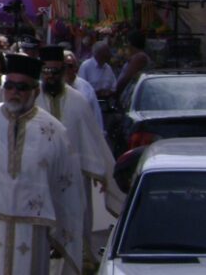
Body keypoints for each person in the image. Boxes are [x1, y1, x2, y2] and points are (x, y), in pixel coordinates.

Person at [0, 53, 85, 274]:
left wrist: (63, 232)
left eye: (21, 87)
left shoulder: (53, 131)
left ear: (35, 91)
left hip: (33, 229)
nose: (14, 92)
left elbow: (68, 184)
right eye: (10, 86)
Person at [36, 46, 123, 266]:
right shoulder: (32, 100)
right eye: (46, 71)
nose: (51, 76)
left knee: (75, 221)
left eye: (55, 71)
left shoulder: (78, 101)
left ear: (63, 71)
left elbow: (92, 137)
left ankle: (75, 264)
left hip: (73, 177)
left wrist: (100, 171)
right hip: (38, 176)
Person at [64, 50, 102, 132]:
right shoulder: (55, 88)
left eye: (69, 66)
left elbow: (96, 114)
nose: (66, 69)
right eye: (63, 66)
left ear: (75, 68)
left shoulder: (86, 88)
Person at [114, 29, 150, 99]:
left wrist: (115, 92)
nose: (126, 45)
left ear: (130, 43)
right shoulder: (136, 57)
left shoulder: (139, 57)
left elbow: (127, 78)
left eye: (126, 42)